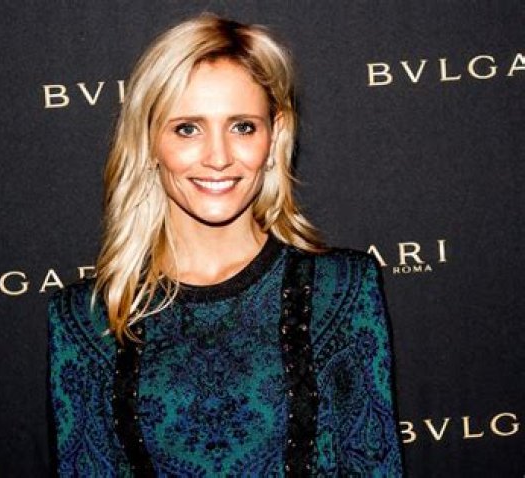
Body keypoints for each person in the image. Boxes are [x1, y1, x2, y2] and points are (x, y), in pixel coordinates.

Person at [47, 14, 403, 477]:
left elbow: (373, 464)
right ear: (149, 140)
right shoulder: (86, 317)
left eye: (242, 127)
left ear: (274, 135)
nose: (218, 157)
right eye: (187, 128)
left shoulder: (343, 290)